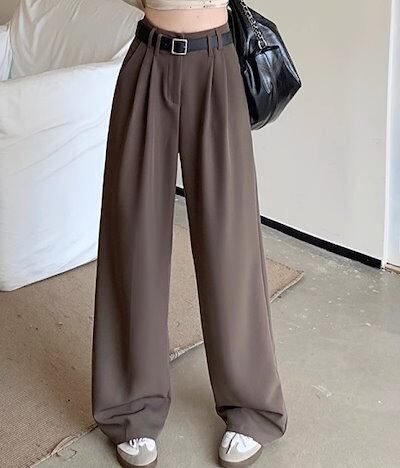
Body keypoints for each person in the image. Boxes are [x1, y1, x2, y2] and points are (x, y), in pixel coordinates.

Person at [91, 1, 288, 467]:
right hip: (149, 60)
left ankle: (251, 406)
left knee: (230, 241)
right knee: (133, 237)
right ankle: (131, 407)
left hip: (217, 61)